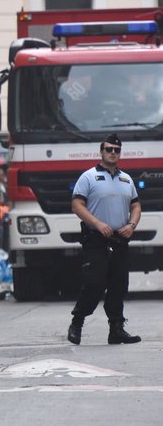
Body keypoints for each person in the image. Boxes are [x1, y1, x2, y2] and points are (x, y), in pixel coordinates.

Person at [67, 134, 141, 345]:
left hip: (119, 239)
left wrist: (132, 225)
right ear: (101, 151)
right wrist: (98, 224)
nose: (112, 153)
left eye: (116, 150)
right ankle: (77, 322)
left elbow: (136, 205)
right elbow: (77, 205)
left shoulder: (126, 179)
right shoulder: (88, 177)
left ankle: (116, 329)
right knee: (94, 283)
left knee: (119, 285)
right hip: (96, 239)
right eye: (108, 149)